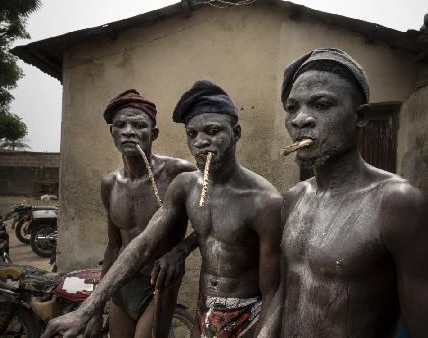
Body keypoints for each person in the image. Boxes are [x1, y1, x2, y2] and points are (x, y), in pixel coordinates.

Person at [41, 80, 282, 338]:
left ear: (236, 133)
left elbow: (275, 290)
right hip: (200, 308)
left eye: (212, 131)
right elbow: (140, 244)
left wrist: (179, 250)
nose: (201, 142)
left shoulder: (263, 200)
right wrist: (88, 309)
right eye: (192, 134)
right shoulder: (184, 186)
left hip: (240, 311)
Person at [258, 48, 428, 337]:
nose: (301, 120)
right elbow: (283, 293)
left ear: (361, 117)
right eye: (291, 108)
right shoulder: (293, 199)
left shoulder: (396, 203)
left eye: (321, 105)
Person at [85, 89, 196, 338]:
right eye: (121, 125)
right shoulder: (110, 184)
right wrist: (96, 308)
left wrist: (180, 251)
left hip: (159, 282)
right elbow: (114, 246)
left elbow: (211, 219)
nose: (129, 131)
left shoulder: (178, 172)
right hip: (122, 284)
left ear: (153, 134)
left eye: (138, 125)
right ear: (111, 132)